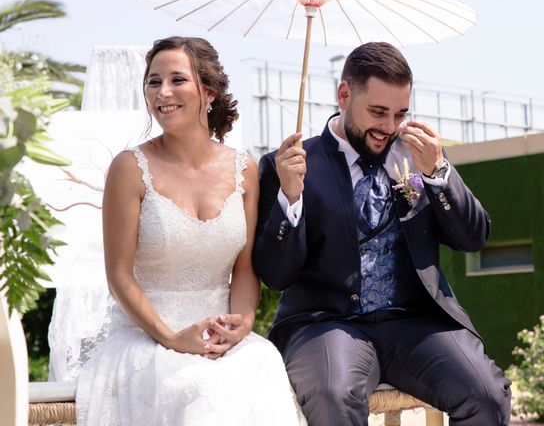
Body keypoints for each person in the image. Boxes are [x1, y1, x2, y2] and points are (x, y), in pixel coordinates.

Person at [253, 42, 512, 425]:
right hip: (326, 324)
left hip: (416, 324)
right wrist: (290, 197)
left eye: (400, 114)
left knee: (487, 394)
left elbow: (473, 238)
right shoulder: (292, 165)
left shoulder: (417, 157)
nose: (389, 127)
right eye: (377, 112)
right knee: (331, 396)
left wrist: (439, 173)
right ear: (344, 94)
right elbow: (276, 276)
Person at [76, 36, 306, 426]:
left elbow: (245, 269)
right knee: (199, 396)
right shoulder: (128, 169)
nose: (162, 92)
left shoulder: (245, 170)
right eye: (153, 81)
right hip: (148, 339)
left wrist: (244, 323)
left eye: (176, 79)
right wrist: (169, 337)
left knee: (263, 365)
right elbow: (118, 275)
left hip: (223, 339)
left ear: (209, 91)